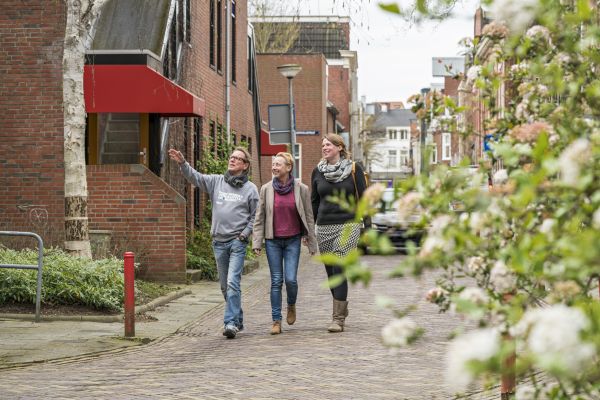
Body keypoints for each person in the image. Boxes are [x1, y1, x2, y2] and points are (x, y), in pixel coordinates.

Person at [168, 147, 258, 339]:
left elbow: (255, 216)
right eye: (231, 157)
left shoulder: (250, 189)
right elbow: (195, 177)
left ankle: (230, 323)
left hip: (237, 243)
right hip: (218, 242)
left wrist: (244, 235)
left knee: (233, 283)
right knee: (225, 286)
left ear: (245, 165)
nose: (232, 160)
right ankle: (238, 319)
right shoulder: (217, 181)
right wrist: (182, 163)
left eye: (237, 158)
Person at [253, 152, 317, 335]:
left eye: (278, 164)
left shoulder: (301, 189)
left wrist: (311, 242)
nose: (274, 167)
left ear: (288, 168)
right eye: (273, 164)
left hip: (293, 240)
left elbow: (309, 216)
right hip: (272, 240)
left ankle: (291, 304)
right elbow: (260, 217)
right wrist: (257, 242)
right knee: (275, 281)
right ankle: (276, 320)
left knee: (290, 279)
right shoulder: (265, 189)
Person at [311, 133, 367, 333]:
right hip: (324, 227)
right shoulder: (317, 172)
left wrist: (366, 227)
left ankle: (337, 318)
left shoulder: (354, 169)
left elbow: (364, 198)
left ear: (339, 148)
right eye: (323, 145)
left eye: (328, 145)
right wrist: (312, 228)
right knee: (331, 273)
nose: (324, 147)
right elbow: (314, 202)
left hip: (348, 224)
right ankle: (341, 304)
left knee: (340, 268)